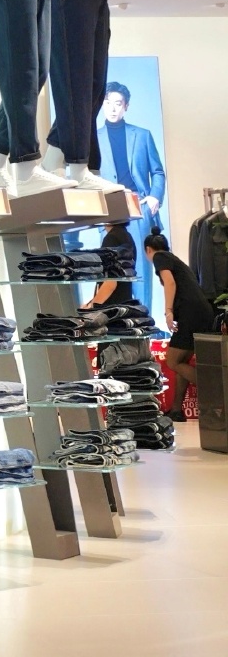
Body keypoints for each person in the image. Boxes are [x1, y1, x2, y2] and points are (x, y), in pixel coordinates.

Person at [98, 83, 166, 313]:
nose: (112, 108)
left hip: (138, 207)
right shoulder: (93, 139)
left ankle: (144, 320)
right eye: (108, 103)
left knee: (141, 271)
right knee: (111, 269)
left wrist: (155, 196)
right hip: (109, 209)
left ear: (126, 106)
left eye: (118, 103)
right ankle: (116, 321)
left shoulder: (142, 135)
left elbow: (157, 171)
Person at [144, 232, 216, 420]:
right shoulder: (174, 259)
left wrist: (168, 311)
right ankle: (176, 410)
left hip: (190, 314)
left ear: (148, 250)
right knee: (181, 362)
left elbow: (170, 283)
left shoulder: (160, 257)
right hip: (201, 313)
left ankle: (217, 391)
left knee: (173, 361)